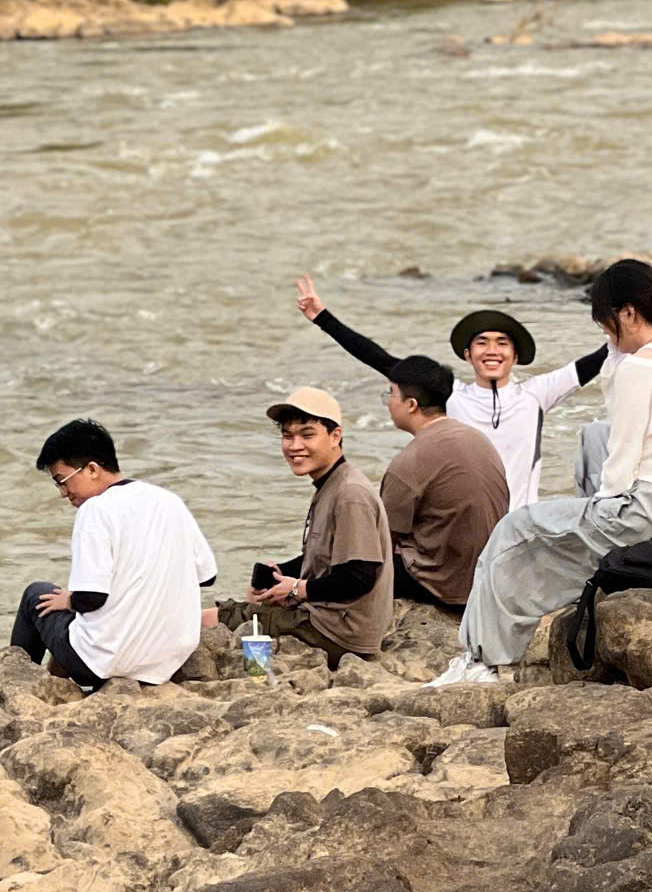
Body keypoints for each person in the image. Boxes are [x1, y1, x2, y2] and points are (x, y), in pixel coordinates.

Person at [432, 259, 652, 687]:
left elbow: (622, 466)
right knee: (593, 437)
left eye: (607, 325)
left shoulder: (639, 366)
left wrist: (597, 513)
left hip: (650, 511)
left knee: (515, 531)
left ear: (626, 313)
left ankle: (481, 660)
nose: (608, 336)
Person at [293, 276, 612, 507]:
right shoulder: (452, 395)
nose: (492, 350)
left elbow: (602, 356)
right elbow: (381, 360)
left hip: (520, 527)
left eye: (502, 343)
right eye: (481, 343)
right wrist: (323, 318)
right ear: (466, 355)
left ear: (515, 357)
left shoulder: (536, 394)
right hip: (468, 528)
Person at [11, 419, 218, 691]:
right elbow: (207, 577)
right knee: (78, 616)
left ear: (92, 469)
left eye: (62, 481)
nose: (63, 493)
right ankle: (55, 679)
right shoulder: (168, 501)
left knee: (37, 595)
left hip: (103, 663)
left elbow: (91, 598)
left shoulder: (95, 510)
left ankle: (12, 682)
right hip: (166, 661)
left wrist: (69, 599)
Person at [236, 385, 393, 663]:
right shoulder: (331, 483)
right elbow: (327, 558)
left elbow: (359, 576)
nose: (295, 446)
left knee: (226, 617)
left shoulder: (350, 493)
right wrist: (281, 575)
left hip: (339, 633)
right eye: (287, 436)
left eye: (307, 435)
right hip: (333, 621)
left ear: (336, 436)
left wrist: (297, 589)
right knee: (245, 607)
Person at [378, 354, 509, 607]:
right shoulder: (476, 439)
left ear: (411, 404)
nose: (388, 402)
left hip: (443, 585)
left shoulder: (409, 462)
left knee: (351, 557)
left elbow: (380, 543)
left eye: (391, 393)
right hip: (487, 576)